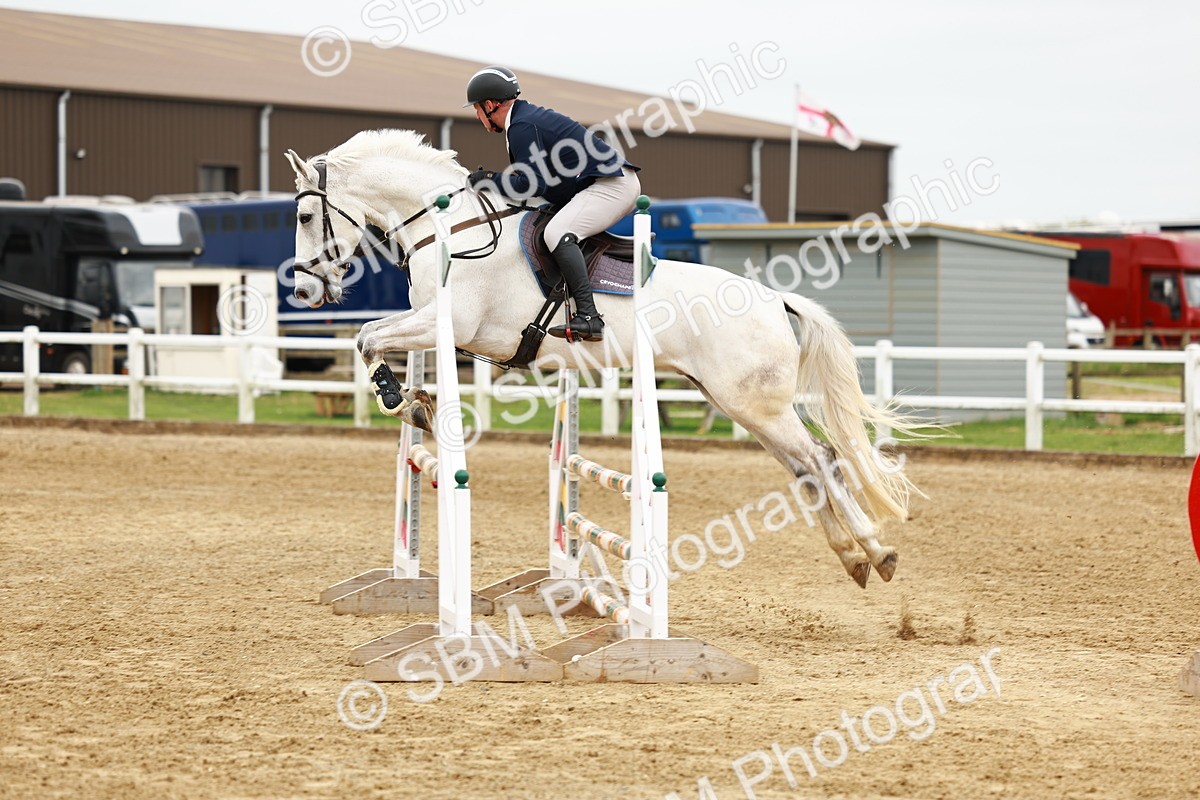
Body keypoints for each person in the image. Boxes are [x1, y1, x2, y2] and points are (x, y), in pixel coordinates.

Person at [464, 65, 641, 342]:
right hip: (603, 182)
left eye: (476, 108)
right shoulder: (523, 119)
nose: (477, 116)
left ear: (489, 105)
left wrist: (488, 179)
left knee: (557, 233)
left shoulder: (521, 126)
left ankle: (589, 317)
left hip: (611, 185)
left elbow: (531, 185)